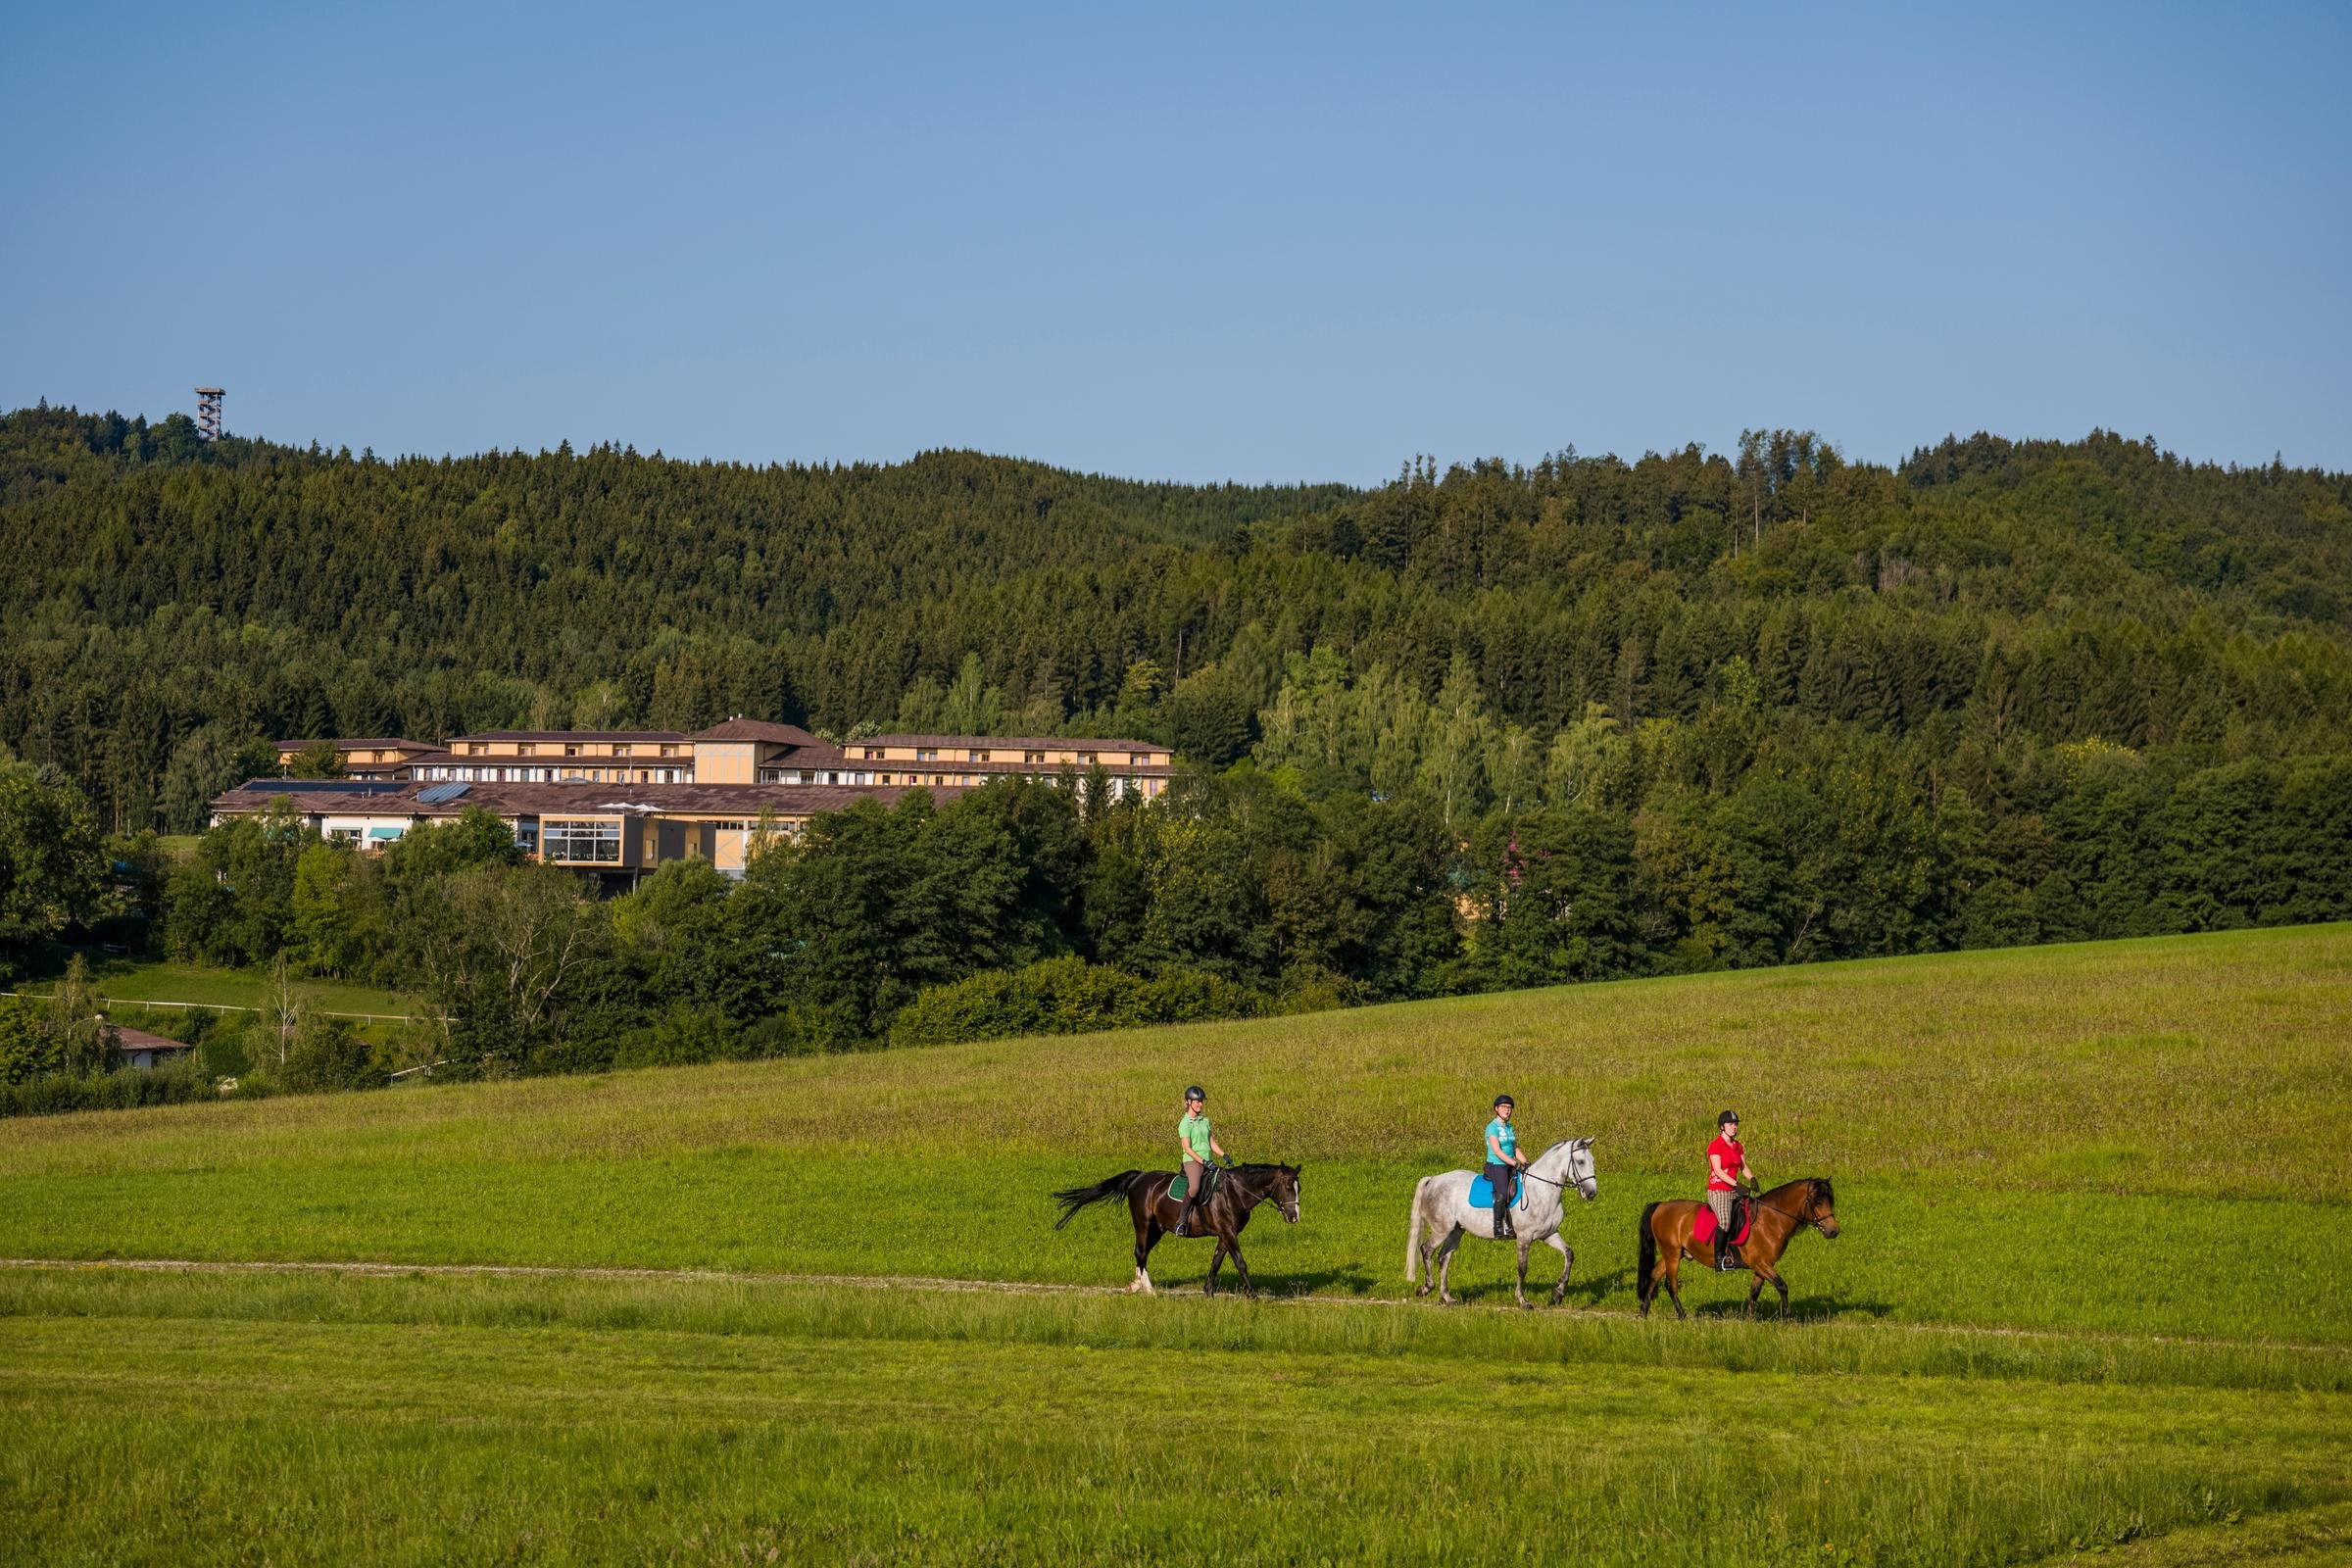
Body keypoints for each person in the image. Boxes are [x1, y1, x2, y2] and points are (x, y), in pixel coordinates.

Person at [1171, 1085, 1229, 1237]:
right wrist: (1204, 1162)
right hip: (1192, 1161)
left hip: (1207, 1160)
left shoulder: (1205, 1120)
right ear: (1189, 1102)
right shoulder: (1184, 1124)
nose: (1200, 1104)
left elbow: (1211, 1142)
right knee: (1195, 1187)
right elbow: (1188, 1148)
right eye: (1197, 1101)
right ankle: (1181, 1222)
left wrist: (1224, 1155)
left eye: (1202, 1101)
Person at [1706, 1109, 1754, 1270]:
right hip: (1718, 1190)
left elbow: (1743, 1167)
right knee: (1725, 1221)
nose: (1734, 1127)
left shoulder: (1738, 1146)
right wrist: (1736, 1185)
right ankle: (1718, 1258)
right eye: (1730, 1124)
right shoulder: (1715, 1146)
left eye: (1735, 1124)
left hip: (1734, 1189)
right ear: (1722, 1127)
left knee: (1751, 1214)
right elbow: (1718, 1171)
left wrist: (1752, 1179)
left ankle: (1740, 1250)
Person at [1485, 1095, 1530, 1240]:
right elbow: (1497, 1151)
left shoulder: (1509, 1127)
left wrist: (1526, 1163)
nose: (1507, 1110)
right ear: (1496, 1109)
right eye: (1504, 1107)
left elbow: (1515, 1148)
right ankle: (1498, 1227)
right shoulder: (1492, 1127)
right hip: (1497, 1165)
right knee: (1503, 1192)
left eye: (1509, 1108)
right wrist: (1515, 1163)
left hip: (1510, 1164)